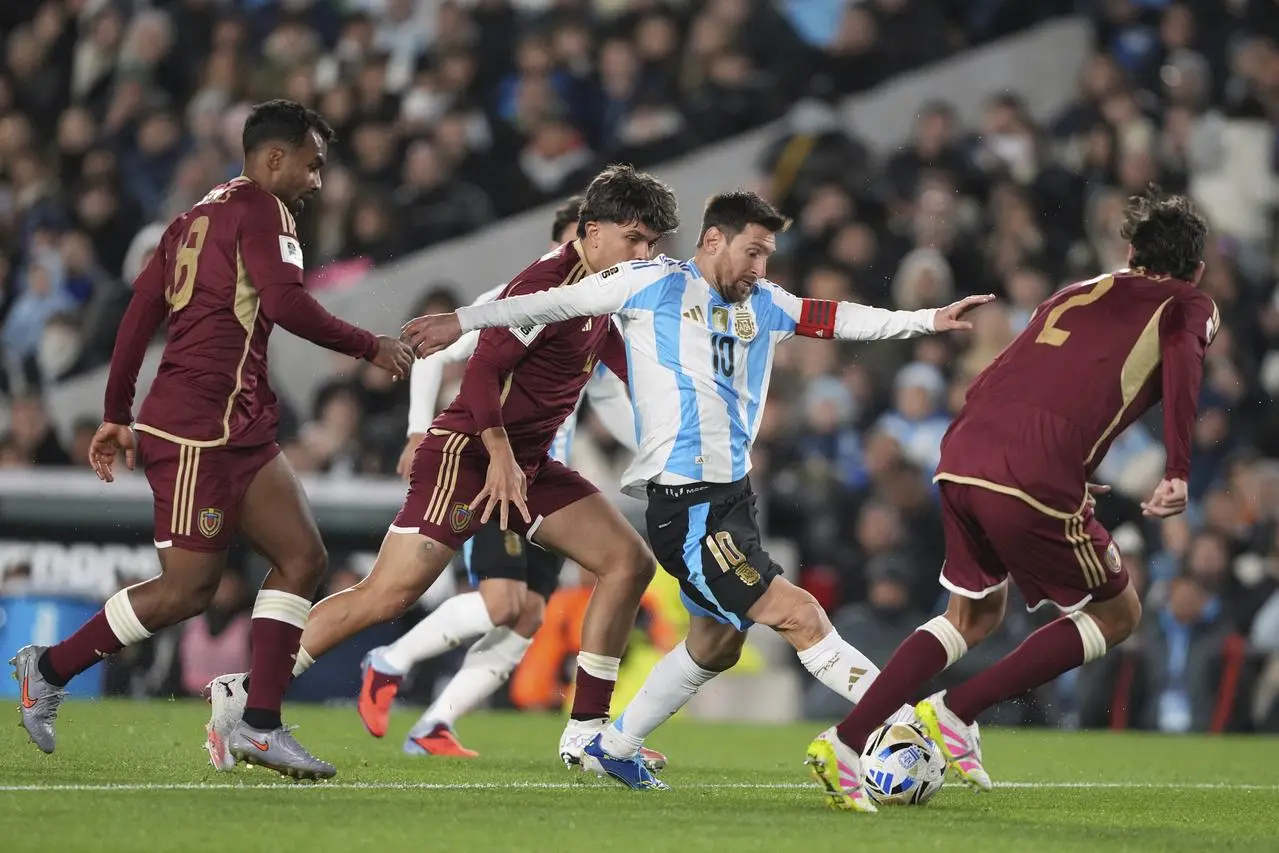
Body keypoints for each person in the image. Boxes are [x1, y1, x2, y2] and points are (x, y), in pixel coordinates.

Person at [403, 190, 990, 796]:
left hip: (733, 501)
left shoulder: (763, 304)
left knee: (717, 642)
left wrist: (924, 319)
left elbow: (834, 316)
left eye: (768, 256)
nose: (760, 269)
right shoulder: (651, 283)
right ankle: (902, 721)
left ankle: (614, 746)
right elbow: (555, 302)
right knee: (801, 614)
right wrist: (464, 322)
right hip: (687, 507)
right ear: (714, 241)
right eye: (753, 252)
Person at [206, 164, 681, 774]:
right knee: (385, 595)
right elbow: (482, 369)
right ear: (591, 231)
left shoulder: (608, 289)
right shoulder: (548, 284)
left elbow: (620, 358)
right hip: (470, 455)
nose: (643, 254)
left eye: (651, 244)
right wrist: (501, 458)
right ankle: (246, 691)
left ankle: (589, 734)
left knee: (627, 562)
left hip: (528, 460)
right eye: (633, 239)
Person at [11, 99, 414, 780]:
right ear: (274, 158)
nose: (317, 181)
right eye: (312, 166)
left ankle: (258, 723)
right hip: (198, 428)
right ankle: (48, 667)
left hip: (239, 424)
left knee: (301, 555)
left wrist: (116, 408)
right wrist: (368, 344)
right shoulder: (266, 209)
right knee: (186, 592)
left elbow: (142, 306)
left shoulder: (195, 215)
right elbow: (285, 304)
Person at [796, 187, 1218, 812]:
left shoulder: (1073, 292)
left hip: (965, 449)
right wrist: (1178, 467)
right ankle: (954, 711)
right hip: (1031, 468)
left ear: (1129, 250)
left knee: (972, 613)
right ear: (1198, 269)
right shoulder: (1189, 301)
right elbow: (1183, 365)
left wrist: (1039, 456)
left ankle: (846, 740)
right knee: (1119, 612)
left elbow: (1001, 373)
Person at [361, 196, 661, 771]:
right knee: (504, 604)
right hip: (497, 475)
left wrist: (655, 446)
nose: (630, 258)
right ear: (571, 238)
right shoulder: (517, 297)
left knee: (527, 616)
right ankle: (391, 660)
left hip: (548, 485)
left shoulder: (598, 311)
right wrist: (417, 428)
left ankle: (434, 723)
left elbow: (613, 396)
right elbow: (435, 349)